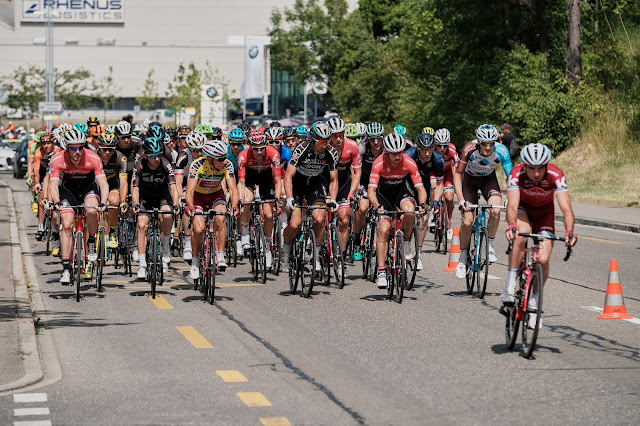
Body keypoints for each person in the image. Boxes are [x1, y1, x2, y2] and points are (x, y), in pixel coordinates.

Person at [502, 143, 577, 328]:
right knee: (521, 234)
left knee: (543, 259)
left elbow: (566, 208)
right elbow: (511, 205)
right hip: (522, 209)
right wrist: (512, 225)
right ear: (524, 165)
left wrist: (569, 231)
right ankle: (510, 286)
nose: (536, 174)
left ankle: (535, 299)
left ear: (547, 166)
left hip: (545, 213)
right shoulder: (516, 174)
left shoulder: (556, 175)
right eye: (532, 168)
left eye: (540, 168)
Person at [49, 129, 109, 284]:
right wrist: (56, 202)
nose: (77, 152)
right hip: (68, 190)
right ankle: (66, 267)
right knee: (67, 224)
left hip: (88, 188)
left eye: (80, 148)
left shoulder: (93, 157)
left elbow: (103, 184)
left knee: (91, 210)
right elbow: (53, 184)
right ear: (67, 148)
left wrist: (103, 202)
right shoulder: (57, 159)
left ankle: (91, 240)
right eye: (73, 148)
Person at [368, 133, 427, 289]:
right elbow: (371, 191)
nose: (397, 156)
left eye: (400, 152)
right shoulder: (378, 163)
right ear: (387, 152)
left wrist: (422, 204)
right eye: (393, 153)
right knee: (383, 229)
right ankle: (381, 271)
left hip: (402, 192)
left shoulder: (409, 162)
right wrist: (376, 206)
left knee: (410, 211)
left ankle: (406, 241)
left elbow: (420, 188)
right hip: (384, 195)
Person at [454, 124, 513, 279]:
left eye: (491, 143)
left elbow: (510, 177)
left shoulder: (501, 151)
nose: (488, 147)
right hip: (469, 182)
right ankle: (462, 258)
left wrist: (510, 199)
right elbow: (458, 174)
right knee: (467, 221)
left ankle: (490, 246)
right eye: (485, 143)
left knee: (495, 210)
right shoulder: (469, 148)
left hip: (488, 180)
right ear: (478, 142)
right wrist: (460, 200)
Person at [282, 122, 339, 272]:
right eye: (321, 141)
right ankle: (286, 253)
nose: (325, 145)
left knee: (320, 219)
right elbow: (288, 176)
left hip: (315, 183)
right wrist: (289, 198)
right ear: (313, 140)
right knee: (294, 224)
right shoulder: (301, 148)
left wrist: (333, 199)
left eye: (327, 141)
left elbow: (333, 180)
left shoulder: (331, 152)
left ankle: (316, 254)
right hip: (297, 184)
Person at [185, 140, 240, 279]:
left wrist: (234, 206)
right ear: (210, 158)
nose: (224, 161)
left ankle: (220, 256)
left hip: (216, 194)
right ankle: (195, 262)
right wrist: (190, 206)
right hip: (198, 196)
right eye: (220, 159)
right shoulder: (197, 165)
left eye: (225, 157)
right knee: (198, 229)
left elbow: (233, 189)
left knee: (221, 218)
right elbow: (190, 190)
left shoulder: (227, 165)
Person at [131, 136, 180, 279]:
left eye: (158, 155)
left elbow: (173, 186)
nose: (156, 159)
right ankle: (142, 265)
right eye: (153, 156)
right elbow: (135, 188)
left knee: (167, 215)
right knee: (142, 225)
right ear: (146, 155)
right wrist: (135, 203)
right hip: (145, 196)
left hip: (162, 195)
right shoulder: (139, 165)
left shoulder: (165, 164)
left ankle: (165, 244)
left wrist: (175, 204)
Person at [237, 129, 282, 270]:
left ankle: (267, 248)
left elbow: (278, 180)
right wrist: (240, 199)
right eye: (255, 149)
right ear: (250, 147)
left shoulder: (273, 154)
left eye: (262, 148)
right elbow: (241, 183)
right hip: (250, 176)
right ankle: (244, 231)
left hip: (266, 177)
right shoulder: (243, 156)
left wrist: (277, 199)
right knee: (247, 200)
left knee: (268, 215)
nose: (259, 152)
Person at [405, 133, 444, 271]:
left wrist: (435, 202)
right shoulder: (409, 155)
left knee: (425, 218)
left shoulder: (438, 159)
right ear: (418, 149)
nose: (427, 153)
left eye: (431, 149)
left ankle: (418, 255)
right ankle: (403, 243)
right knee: (406, 213)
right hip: (407, 183)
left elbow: (440, 184)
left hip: (424, 184)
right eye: (424, 150)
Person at [326, 116, 362, 260]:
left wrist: (352, 193)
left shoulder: (352, 146)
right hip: (326, 181)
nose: (338, 139)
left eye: (341, 135)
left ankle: (341, 255)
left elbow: (357, 172)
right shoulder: (324, 147)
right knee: (320, 216)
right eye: (335, 136)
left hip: (345, 182)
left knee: (344, 219)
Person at [352, 122, 384, 260]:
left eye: (378, 138)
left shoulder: (387, 148)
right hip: (365, 180)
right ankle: (357, 239)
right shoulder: (362, 148)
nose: (376, 142)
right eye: (372, 139)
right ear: (367, 138)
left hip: (381, 180)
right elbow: (354, 170)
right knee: (363, 208)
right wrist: (357, 186)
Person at [173, 130, 206, 260]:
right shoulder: (183, 156)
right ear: (189, 148)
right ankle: (187, 242)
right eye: (195, 150)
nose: (199, 154)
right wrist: (181, 196)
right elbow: (178, 182)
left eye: (201, 150)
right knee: (188, 202)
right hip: (188, 181)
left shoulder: (208, 155)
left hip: (203, 182)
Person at [96, 132, 128, 248]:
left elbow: (123, 183)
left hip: (112, 184)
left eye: (111, 149)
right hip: (96, 185)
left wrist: (123, 201)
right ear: (99, 148)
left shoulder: (120, 158)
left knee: (114, 201)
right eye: (105, 149)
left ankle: (113, 231)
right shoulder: (93, 157)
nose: (108, 152)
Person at [434, 128, 459, 239]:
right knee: (433, 190)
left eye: (445, 146)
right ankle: (432, 214)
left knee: (449, 197)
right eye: (439, 146)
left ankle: (449, 221)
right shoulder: (431, 151)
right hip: (434, 173)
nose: (442, 148)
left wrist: (456, 184)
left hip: (448, 173)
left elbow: (457, 170)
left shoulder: (452, 151)